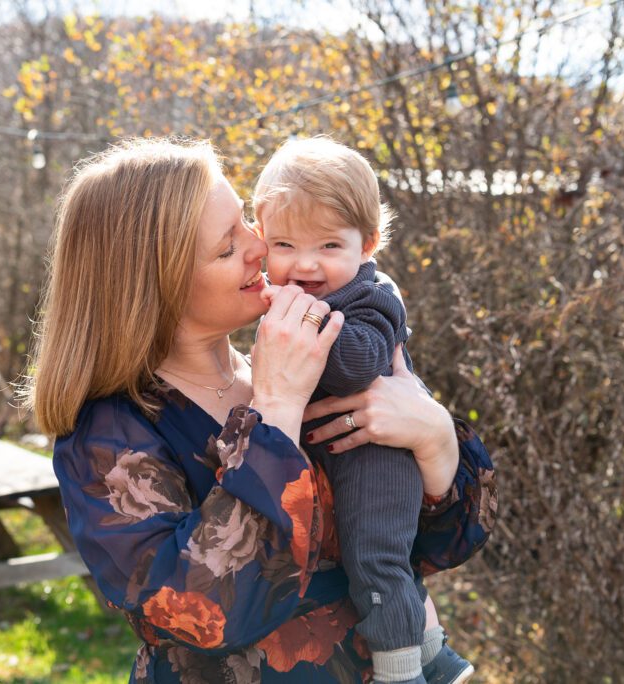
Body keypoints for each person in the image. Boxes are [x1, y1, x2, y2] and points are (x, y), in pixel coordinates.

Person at [23, 137, 497, 683]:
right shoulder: (111, 435)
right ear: (156, 284)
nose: (260, 248)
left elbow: (440, 544)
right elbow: (207, 615)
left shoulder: (304, 367)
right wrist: (276, 412)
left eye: (247, 222)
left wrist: (434, 438)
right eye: (227, 248)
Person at [252, 137, 473, 684]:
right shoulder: (311, 294)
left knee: (376, 565)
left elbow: (355, 365)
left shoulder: (372, 299)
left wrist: (295, 313)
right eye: (284, 244)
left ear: (367, 244)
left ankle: (402, 674)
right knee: (369, 560)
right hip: (345, 457)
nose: (305, 264)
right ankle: (437, 657)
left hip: (380, 462)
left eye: (329, 245)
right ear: (261, 242)